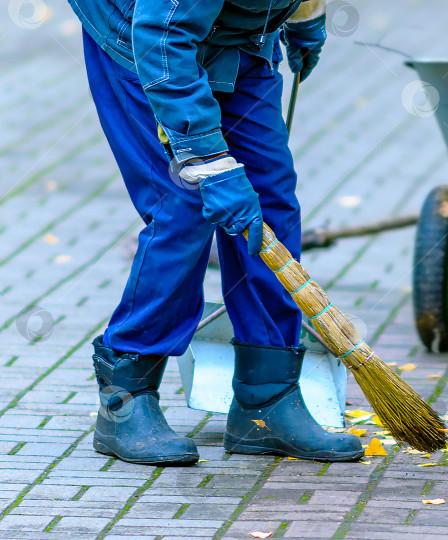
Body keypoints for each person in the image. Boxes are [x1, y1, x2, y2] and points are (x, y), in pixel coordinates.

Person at [67, 0, 364, 465]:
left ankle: (265, 400)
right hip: (144, 37)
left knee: (270, 201)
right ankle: (125, 400)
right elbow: (162, 37)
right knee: (182, 204)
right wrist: (207, 161)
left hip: (236, 34)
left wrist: (306, 16)